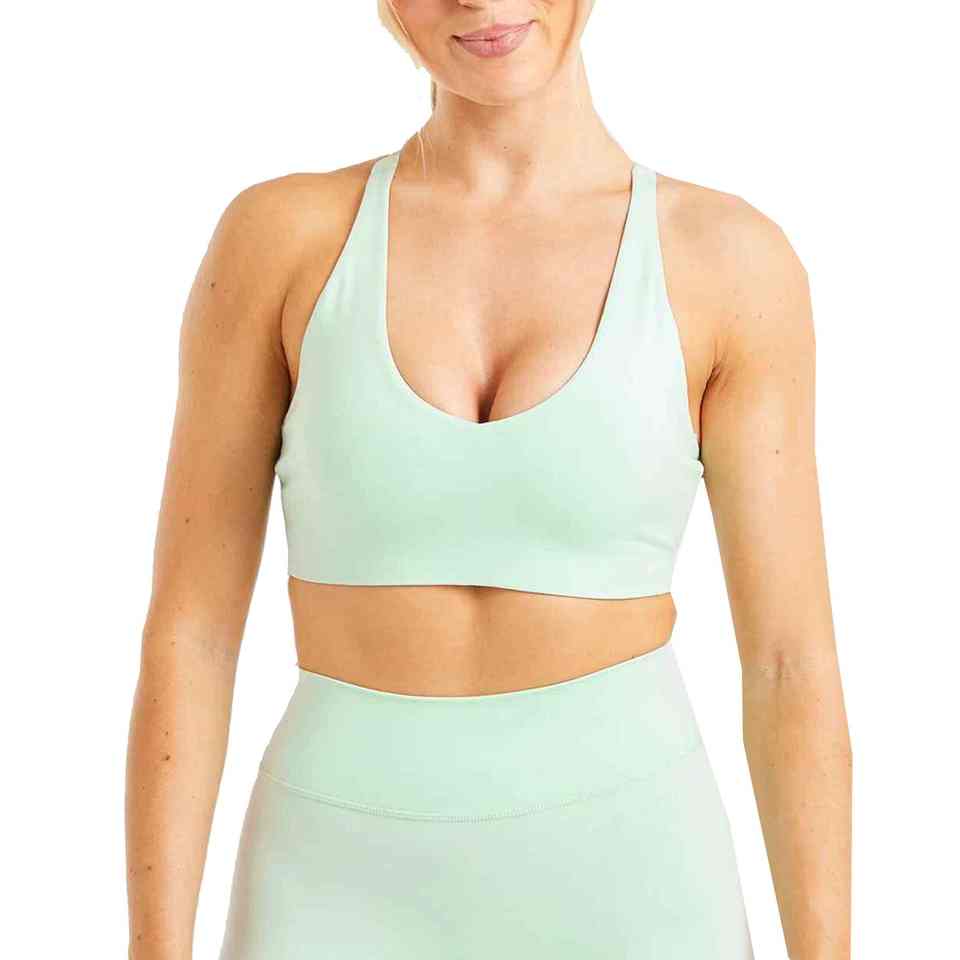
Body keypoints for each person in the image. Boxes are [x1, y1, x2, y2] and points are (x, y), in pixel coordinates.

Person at [125, 2, 852, 957]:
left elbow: (789, 662)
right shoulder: (282, 240)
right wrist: (154, 947)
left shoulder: (728, 260)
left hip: (637, 872)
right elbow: (193, 635)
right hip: (330, 877)